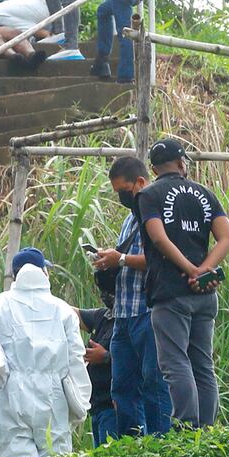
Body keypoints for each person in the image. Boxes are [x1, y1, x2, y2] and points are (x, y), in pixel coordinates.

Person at [0, 247, 92, 457]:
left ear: (14, 276)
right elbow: (76, 360)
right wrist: (80, 403)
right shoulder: (62, 310)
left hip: (11, 397)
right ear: (44, 272)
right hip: (54, 398)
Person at [136, 137, 229, 429]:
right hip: (205, 292)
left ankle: (186, 429)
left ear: (154, 170)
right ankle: (206, 430)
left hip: (170, 292)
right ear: (182, 163)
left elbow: (158, 237)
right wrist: (203, 270)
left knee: (175, 363)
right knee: (203, 364)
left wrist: (188, 269)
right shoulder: (204, 193)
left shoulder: (149, 195)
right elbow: (226, 238)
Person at [98, 155, 175, 436]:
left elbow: (160, 259)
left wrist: (119, 259)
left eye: (122, 191)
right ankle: (131, 446)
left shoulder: (156, 216)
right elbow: (128, 258)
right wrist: (110, 260)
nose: (121, 197)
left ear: (140, 182)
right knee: (121, 387)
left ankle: (160, 443)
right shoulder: (130, 221)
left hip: (146, 311)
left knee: (154, 383)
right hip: (123, 314)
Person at [78, 268, 118, 446]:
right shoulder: (103, 316)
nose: (106, 296)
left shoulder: (132, 322)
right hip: (97, 405)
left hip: (114, 406)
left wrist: (106, 356)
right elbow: (74, 314)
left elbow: (142, 360)